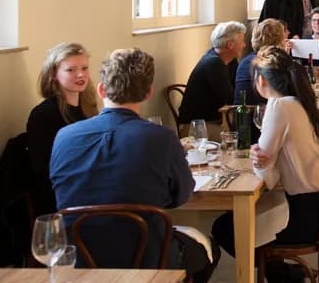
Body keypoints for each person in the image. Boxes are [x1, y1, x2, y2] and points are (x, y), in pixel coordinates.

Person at [50, 48, 217, 281]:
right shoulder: (161, 138)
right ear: (148, 93)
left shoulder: (64, 137)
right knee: (207, 251)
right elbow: (181, 195)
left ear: (101, 89)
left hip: (80, 255)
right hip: (146, 255)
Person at [212, 47, 319, 283]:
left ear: (260, 80)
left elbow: (266, 177)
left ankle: (280, 275)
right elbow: (273, 164)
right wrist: (263, 158)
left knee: (225, 227)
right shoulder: (298, 102)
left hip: (306, 215)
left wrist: (259, 159)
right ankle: (283, 275)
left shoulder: (279, 106)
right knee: (240, 220)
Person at [26, 42, 99, 216]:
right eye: (71, 70)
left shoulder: (88, 108)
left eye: (84, 68)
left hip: (87, 186)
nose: (80, 74)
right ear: (54, 75)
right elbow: (44, 171)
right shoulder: (43, 114)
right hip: (62, 197)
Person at [179, 21, 246, 137]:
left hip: (215, 121)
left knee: (246, 129)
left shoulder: (230, 60)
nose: (244, 45)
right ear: (230, 44)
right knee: (240, 137)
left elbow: (237, 91)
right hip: (195, 127)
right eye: (242, 41)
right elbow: (231, 98)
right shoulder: (213, 63)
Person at [235, 19, 288, 106]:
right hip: (261, 111)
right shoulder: (272, 62)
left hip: (239, 112)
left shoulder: (244, 61)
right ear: (280, 40)